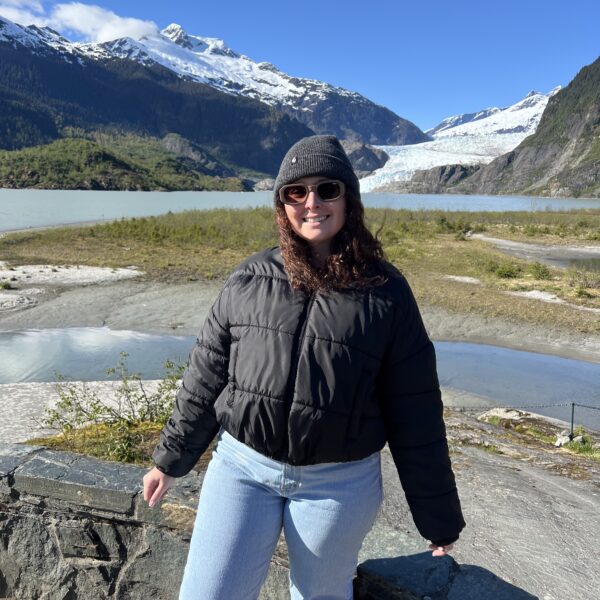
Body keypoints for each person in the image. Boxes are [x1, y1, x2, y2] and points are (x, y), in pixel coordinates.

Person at [143, 135, 465, 600]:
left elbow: (415, 412)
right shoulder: (250, 278)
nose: (311, 202)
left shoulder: (386, 294)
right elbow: (206, 376)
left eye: (326, 188)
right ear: (282, 203)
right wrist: (170, 459)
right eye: (295, 191)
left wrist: (437, 517)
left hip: (337, 486)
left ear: (348, 198)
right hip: (241, 469)